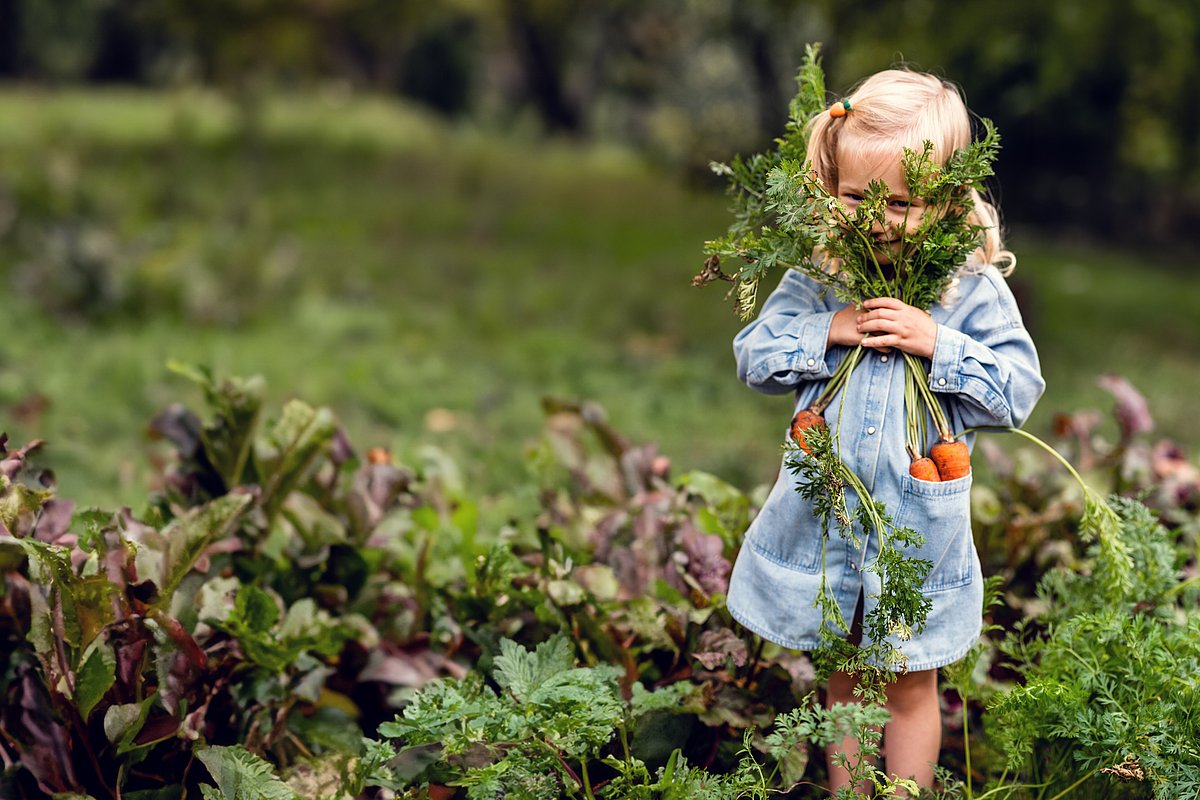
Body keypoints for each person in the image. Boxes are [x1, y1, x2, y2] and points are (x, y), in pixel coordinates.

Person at [724, 68, 1045, 793]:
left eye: (900, 204)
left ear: (948, 201)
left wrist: (938, 342)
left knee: (906, 684)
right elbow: (754, 357)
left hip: (916, 533)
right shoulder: (821, 276)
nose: (875, 219)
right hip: (831, 518)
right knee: (845, 678)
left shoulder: (970, 290)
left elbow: (1018, 393)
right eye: (856, 198)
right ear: (829, 189)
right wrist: (827, 329)